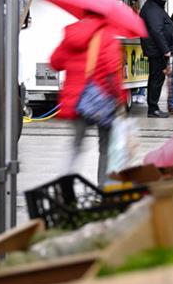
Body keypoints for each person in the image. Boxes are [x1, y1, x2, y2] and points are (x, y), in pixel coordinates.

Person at [50, 11, 125, 185]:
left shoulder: (71, 34)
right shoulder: (107, 36)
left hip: (76, 101)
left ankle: (65, 187)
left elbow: (55, 62)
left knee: (75, 146)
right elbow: (112, 71)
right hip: (102, 99)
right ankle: (104, 188)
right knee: (106, 147)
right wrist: (119, 98)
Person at [139, 0, 173, 118]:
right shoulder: (152, 9)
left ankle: (153, 107)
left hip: (157, 50)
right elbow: (156, 30)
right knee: (156, 79)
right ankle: (153, 108)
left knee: (157, 78)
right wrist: (165, 49)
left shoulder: (153, 7)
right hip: (157, 51)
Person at [129, 0, 147, 104]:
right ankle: (140, 93)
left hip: (134, 45)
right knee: (142, 70)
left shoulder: (131, 14)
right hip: (140, 45)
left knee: (136, 70)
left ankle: (138, 93)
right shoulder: (142, 15)